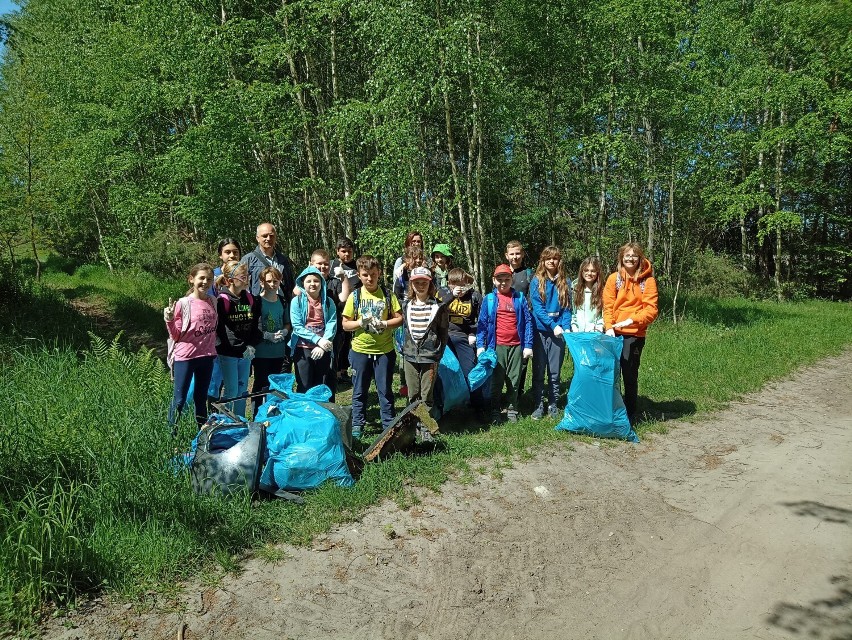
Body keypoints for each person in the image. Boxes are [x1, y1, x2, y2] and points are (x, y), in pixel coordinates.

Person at [341, 255, 403, 438]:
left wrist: (384, 324)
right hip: (360, 351)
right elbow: (345, 324)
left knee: (385, 390)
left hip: (384, 351)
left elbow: (399, 319)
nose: (370, 278)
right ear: (359, 275)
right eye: (365, 275)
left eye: (373, 274)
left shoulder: (387, 294)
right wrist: (361, 322)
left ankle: (388, 424)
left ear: (380, 274)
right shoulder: (355, 296)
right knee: (359, 390)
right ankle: (358, 425)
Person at [603, 242, 659, 425]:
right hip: (614, 333)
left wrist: (632, 320)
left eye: (634, 255)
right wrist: (609, 326)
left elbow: (651, 310)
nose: (630, 258)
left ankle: (630, 414)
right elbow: (608, 306)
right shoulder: (614, 279)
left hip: (634, 333)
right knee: (611, 373)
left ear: (640, 258)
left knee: (629, 373)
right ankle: (611, 409)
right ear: (621, 258)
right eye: (627, 255)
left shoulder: (647, 281)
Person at [476, 264, 533, 423]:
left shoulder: (519, 298)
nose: (503, 282)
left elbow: (528, 322)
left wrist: (528, 345)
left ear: (512, 280)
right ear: (494, 280)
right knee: (496, 380)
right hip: (497, 346)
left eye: (506, 279)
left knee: (514, 379)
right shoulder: (490, 299)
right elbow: (482, 324)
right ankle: (495, 409)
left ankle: (512, 407)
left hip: (516, 346)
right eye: (499, 279)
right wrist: (480, 345)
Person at [164, 263, 218, 432]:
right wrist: (169, 319)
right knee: (179, 399)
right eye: (201, 278)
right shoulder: (184, 303)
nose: (205, 282)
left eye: (209, 279)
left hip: (207, 356)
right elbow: (176, 335)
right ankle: (170, 435)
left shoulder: (213, 301)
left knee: (201, 398)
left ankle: (201, 437)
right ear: (191, 279)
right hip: (186, 357)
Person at [400, 266, 449, 442]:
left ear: (430, 284)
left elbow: (443, 333)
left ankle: (427, 427)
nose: (420, 285)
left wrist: (438, 353)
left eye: (424, 282)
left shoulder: (439, 307)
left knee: (427, 395)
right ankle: (415, 425)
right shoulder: (405, 305)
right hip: (410, 356)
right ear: (411, 285)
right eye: (417, 282)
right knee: (413, 393)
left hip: (430, 356)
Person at [529, 246, 572, 420]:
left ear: (559, 261)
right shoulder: (536, 281)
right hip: (541, 331)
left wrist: (565, 326)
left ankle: (553, 403)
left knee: (554, 372)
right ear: (543, 261)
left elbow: (567, 308)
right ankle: (538, 404)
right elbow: (538, 309)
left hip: (558, 333)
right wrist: (552, 325)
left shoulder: (565, 281)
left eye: (555, 258)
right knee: (539, 370)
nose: (551, 262)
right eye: (548, 259)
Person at [215, 260, 263, 418]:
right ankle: (228, 421)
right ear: (230, 280)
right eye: (242, 277)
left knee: (243, 388)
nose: (247, 279)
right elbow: (223, 330)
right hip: (229, 353)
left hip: (246, 352)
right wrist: (241, 347)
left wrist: (252, 344)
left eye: (247, 276)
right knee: (231, 390)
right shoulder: (223, 300)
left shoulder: (250, 299)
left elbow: (257, 323)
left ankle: (240, 420)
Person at [290, 265, 338, 396]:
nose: (312, 284)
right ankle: (304, 414)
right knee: (304, 385)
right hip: (303, 349)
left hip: (323, 349)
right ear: (302, 283)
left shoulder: (328, 302)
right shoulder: (296, 302)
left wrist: (323, 345)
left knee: (321, 384)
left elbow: (332, 324)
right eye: (308, 281)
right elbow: (297, 326)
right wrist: (318, 340)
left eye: (316, 281)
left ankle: (320, 413)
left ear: (321, 283)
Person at [444, 268, 486, 409]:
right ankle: (447, 405)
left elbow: (482, 319)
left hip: (464, 337)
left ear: (466, 283)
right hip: (445, 337)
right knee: (446, 372)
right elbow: (435, 309)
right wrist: (451, 296)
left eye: (461, 284)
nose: (458, 288)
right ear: (448, 283)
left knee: (470, 371)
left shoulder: (474, 296)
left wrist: (473, 332)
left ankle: (477, 406)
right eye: (454, 284)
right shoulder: (443, 293)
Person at [251, 266, 290, 412]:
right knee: (260, 384)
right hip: (262, 352)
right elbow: (253, 326)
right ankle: (257, 414)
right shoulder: (257, 302)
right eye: (268, 281)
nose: (272, 284)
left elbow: (287, 322)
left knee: (276, 386)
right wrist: (266, 335)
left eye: (275, 281)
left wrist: (285, 331)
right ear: (262, 282)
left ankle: (273, 414)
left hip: (279, 352)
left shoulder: (282, 301)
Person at [241, 222, 296, 302]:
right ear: (257, 238)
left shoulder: (283, 260)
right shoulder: (248, 260)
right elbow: (241, 286)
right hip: (259, 305)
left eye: (271, 235)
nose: (268, 238)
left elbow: (290, 284)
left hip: (282, 305)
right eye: (264, 236)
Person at [506, 239, 533, 399]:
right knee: (505, 360)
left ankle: (518, 394)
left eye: (517, 253)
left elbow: (531, 300)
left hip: (522, 324)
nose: (515, 257)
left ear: (522, 254)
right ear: (506, 255)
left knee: (522, 360)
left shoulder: (528, 274)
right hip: (504, 324)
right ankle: (506, 393)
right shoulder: (502, 273)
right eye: (512, 254)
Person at [571, 257, 605, 333]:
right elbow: (573, 312)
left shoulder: (602, 291)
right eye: (586, 270)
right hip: (578, 334)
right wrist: (574, 328)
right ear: (581, 271)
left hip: (595, 334)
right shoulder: (574, 289)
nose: (589, 273)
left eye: (593, 271)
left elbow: (603, 315)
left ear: (597, 273)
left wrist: (598, 329)